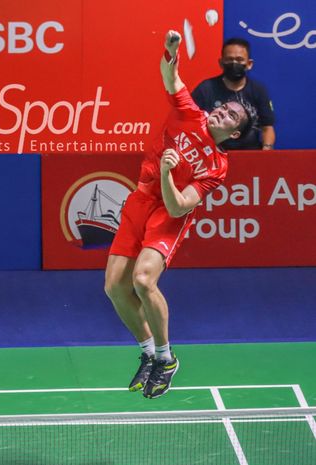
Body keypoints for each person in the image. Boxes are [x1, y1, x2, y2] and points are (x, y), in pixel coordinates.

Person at [104, 30, 254, 399]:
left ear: (234, 134)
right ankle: (149, 352)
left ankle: (167, 359)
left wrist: (169, 172)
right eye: (223, 106)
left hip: (167, 216)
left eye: (231, 114)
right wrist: (171, 52)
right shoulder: (190, 112)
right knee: (113, 287)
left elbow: (177, 207)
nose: (221, 109)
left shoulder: (217, 166)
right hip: (139, 202)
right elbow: (170, 78)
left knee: (142, 279)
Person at [192, 37, 275, 151]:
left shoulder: (258, 90)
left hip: (250, 155)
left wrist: (266, 151)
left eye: (239, 59)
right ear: (221, 63)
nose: (234, 63)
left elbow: (267, 128)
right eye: (229, 59)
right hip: (212, 155)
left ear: (249, 64)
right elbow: (190, 123)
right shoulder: (205, 89)